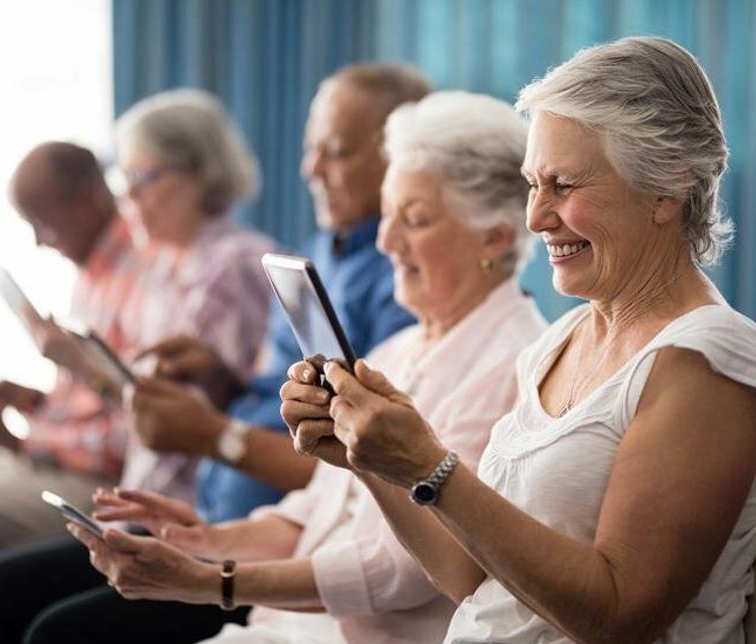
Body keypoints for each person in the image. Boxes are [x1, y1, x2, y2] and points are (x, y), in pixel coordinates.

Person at [283, 37, 756, 643]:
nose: (535, 218)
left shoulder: (708, 364)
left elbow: (617, 616)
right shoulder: (557, 344)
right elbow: (468, 578)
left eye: (562, 185)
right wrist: (375, 460)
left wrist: (430, 465)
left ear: (667, 188)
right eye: (533, 184)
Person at [0, 64, 431, 644]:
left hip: (254, 521)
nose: (311, 169)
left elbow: (356, 457)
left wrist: (210, 437)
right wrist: (221, 383)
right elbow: (279, 401)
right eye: (312, 150)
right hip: (224, 510)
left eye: (335, 151)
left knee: (30, 615)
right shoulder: (319, 253)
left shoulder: (390, 283)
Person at [67, 90, 547, 644]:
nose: (386, 241)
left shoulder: (513, 366)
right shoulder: (398, 349)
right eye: (388, 215)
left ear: (496, 236)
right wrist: (201, 539)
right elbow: (312, 512)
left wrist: (212, 582)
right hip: (286, 627)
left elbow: (406, 570)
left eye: (414, 220)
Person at [0, 89, 278, 644]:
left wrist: (76, 387)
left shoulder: (232, 265)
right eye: (125, 178)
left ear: (197, 173)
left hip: (183, 504)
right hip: (146, 492)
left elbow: (198, 418)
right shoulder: (171, 263)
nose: (127, 196)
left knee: (4, 601)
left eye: (141, 178)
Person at [0, 141, 147, 576]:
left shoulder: (144, 276)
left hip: (102, 484)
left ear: (86, 199)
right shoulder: (94, 274)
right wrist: (35, 403)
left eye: (42, 223)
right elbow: (97, 401)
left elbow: (139, 430)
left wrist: (21, 443)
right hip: (57, 462)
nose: (39, 242)